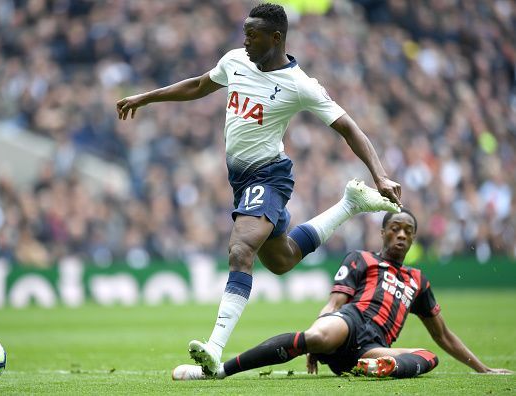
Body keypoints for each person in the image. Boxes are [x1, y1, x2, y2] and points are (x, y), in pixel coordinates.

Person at [117, 3, 402, 376]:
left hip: (268, 176)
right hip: (241, 180)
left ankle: (214, 348)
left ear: (276, 37)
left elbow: (348, 126)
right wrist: (146, 97)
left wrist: (379, 174)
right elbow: (200, 85)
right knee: (280, 260)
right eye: (245, 33)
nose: (246, 41)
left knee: (240, 249)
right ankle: (349, 205)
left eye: (253, 35)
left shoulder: (300, 84)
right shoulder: (236, 60)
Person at [172, 208, 513, 380]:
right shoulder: (361, 259)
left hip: (374, 345)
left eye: (407, 231)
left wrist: (482, 370)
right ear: (383, 232)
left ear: (413, 240)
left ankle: (377, 368)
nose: (400, 235)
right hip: (350, 323)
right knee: (318, 335)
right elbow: (335, 303)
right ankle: (218, 371)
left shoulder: (418, 281)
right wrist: (315, 334)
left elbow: (444, 336)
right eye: (394, 228)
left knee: (428, 356)